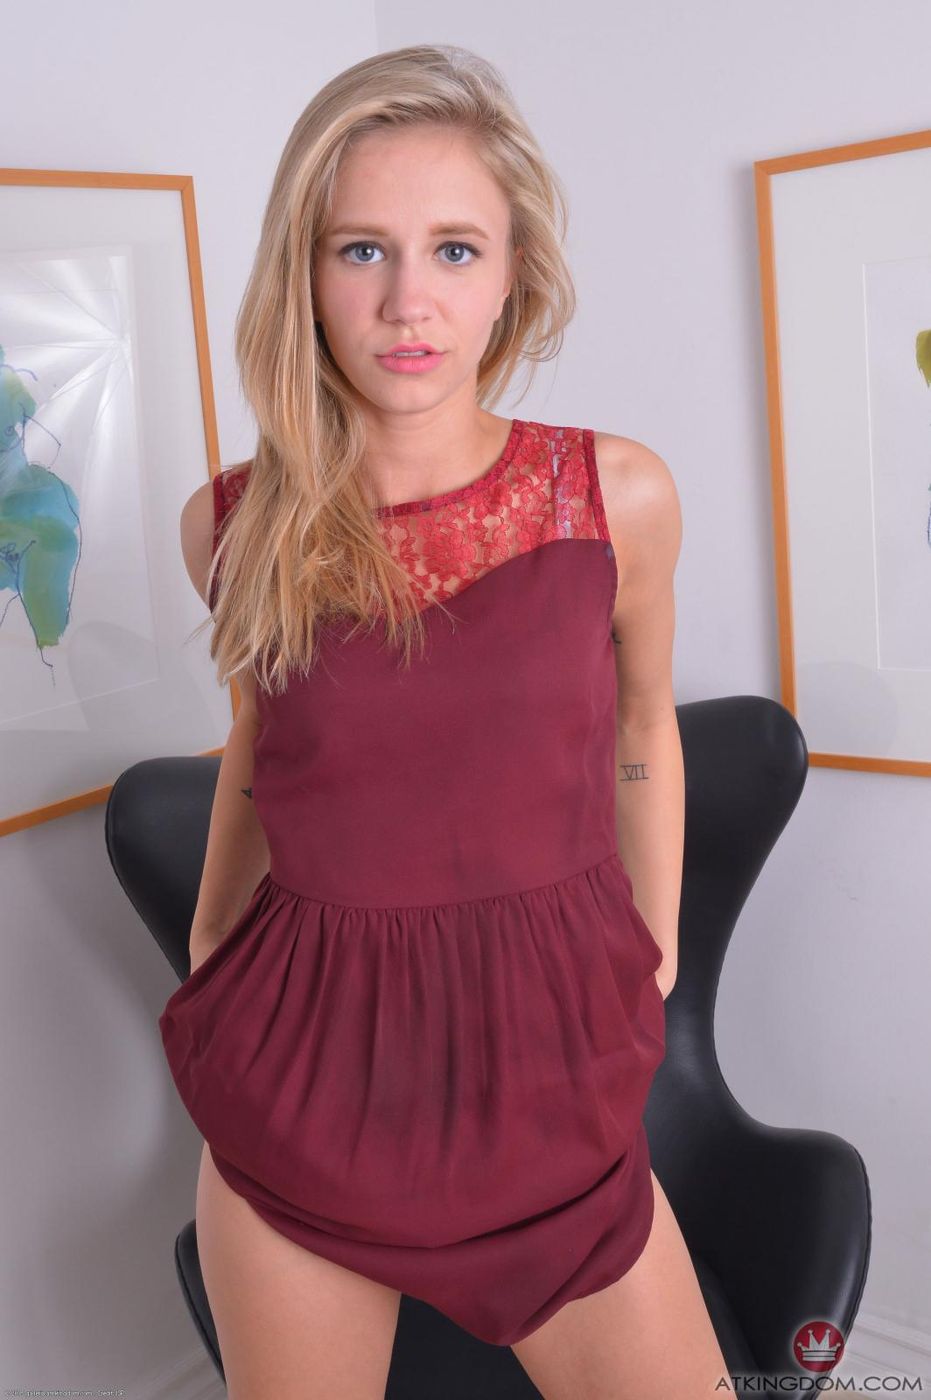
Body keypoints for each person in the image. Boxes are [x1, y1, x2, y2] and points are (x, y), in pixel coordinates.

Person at [158, 42, 735, 1400]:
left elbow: (642, 722)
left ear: (514, 272)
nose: (407, 301)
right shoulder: (229, 527)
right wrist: (210, 932)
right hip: (304, 1099)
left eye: (455, 251)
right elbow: (262, 744)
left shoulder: (615, 498)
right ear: (304, 272)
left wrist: (652, 949)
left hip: (553, 1102)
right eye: (361, 249)